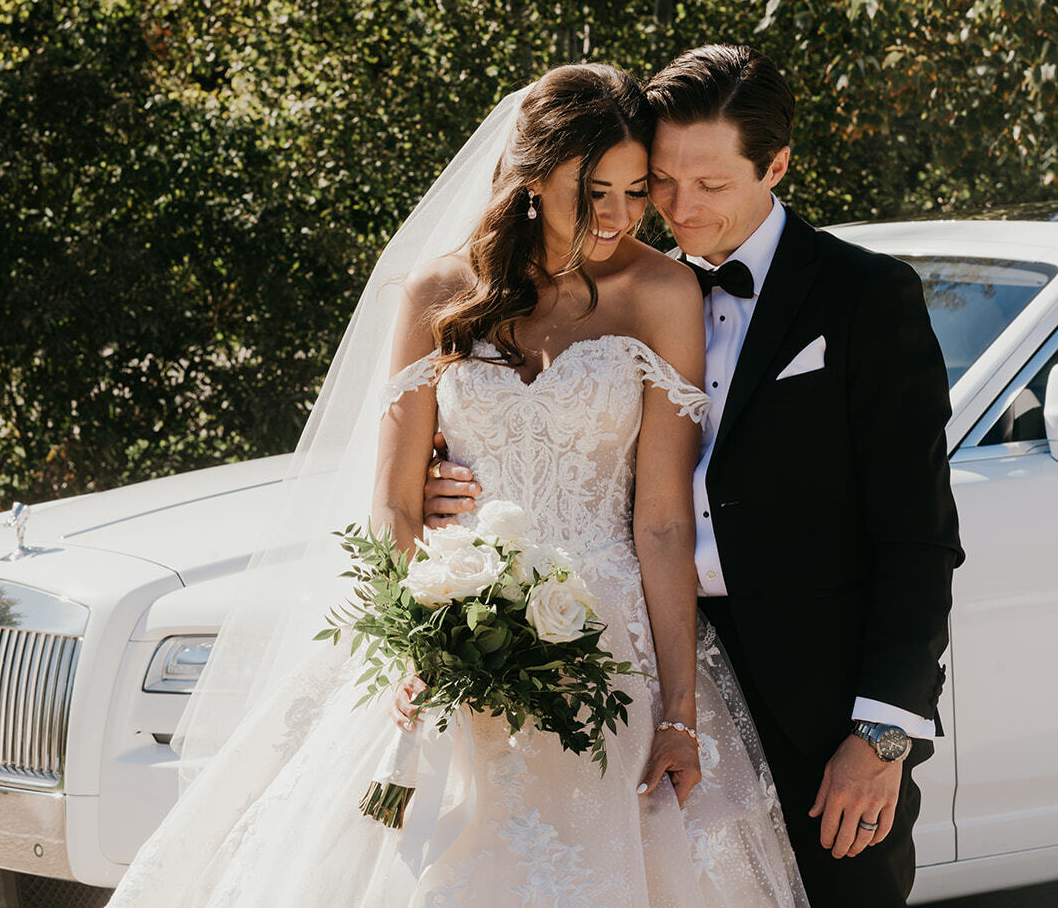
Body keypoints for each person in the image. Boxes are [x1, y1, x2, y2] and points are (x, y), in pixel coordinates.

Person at [105, 63, 808, 908]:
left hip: (611, 643)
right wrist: (419, 646)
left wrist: (678, 713)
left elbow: (659, 521)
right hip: (450, 626)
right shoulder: (438, 293)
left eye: (633, 190)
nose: (620, 216)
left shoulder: (663, 291)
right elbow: (398, 502)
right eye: (595, 191)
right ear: (533, 177)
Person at [425, 44, 964, 908]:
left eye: (710, 186)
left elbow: (919, 536)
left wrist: (884, 732)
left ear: (776, 165)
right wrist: (448, 486)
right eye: (659, 182)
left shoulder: (865, 298)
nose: (675, 208)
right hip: (629, 666)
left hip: (813, 698)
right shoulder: (601, 283)